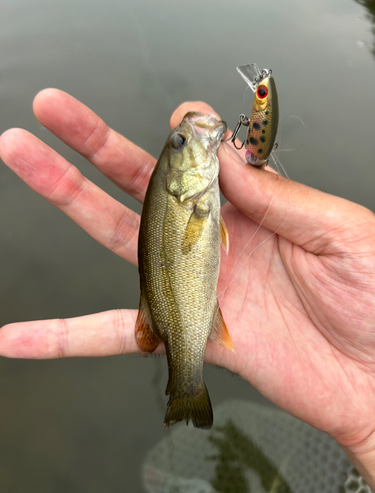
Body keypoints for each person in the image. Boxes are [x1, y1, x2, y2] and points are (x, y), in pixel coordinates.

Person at [1, 89, 375, 488]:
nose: (184, 137)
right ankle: (187, 384)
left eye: (179, 141)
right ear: (175, 179)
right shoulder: (191, 198)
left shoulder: (191, 196)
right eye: (179, 142)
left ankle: (186, 386)